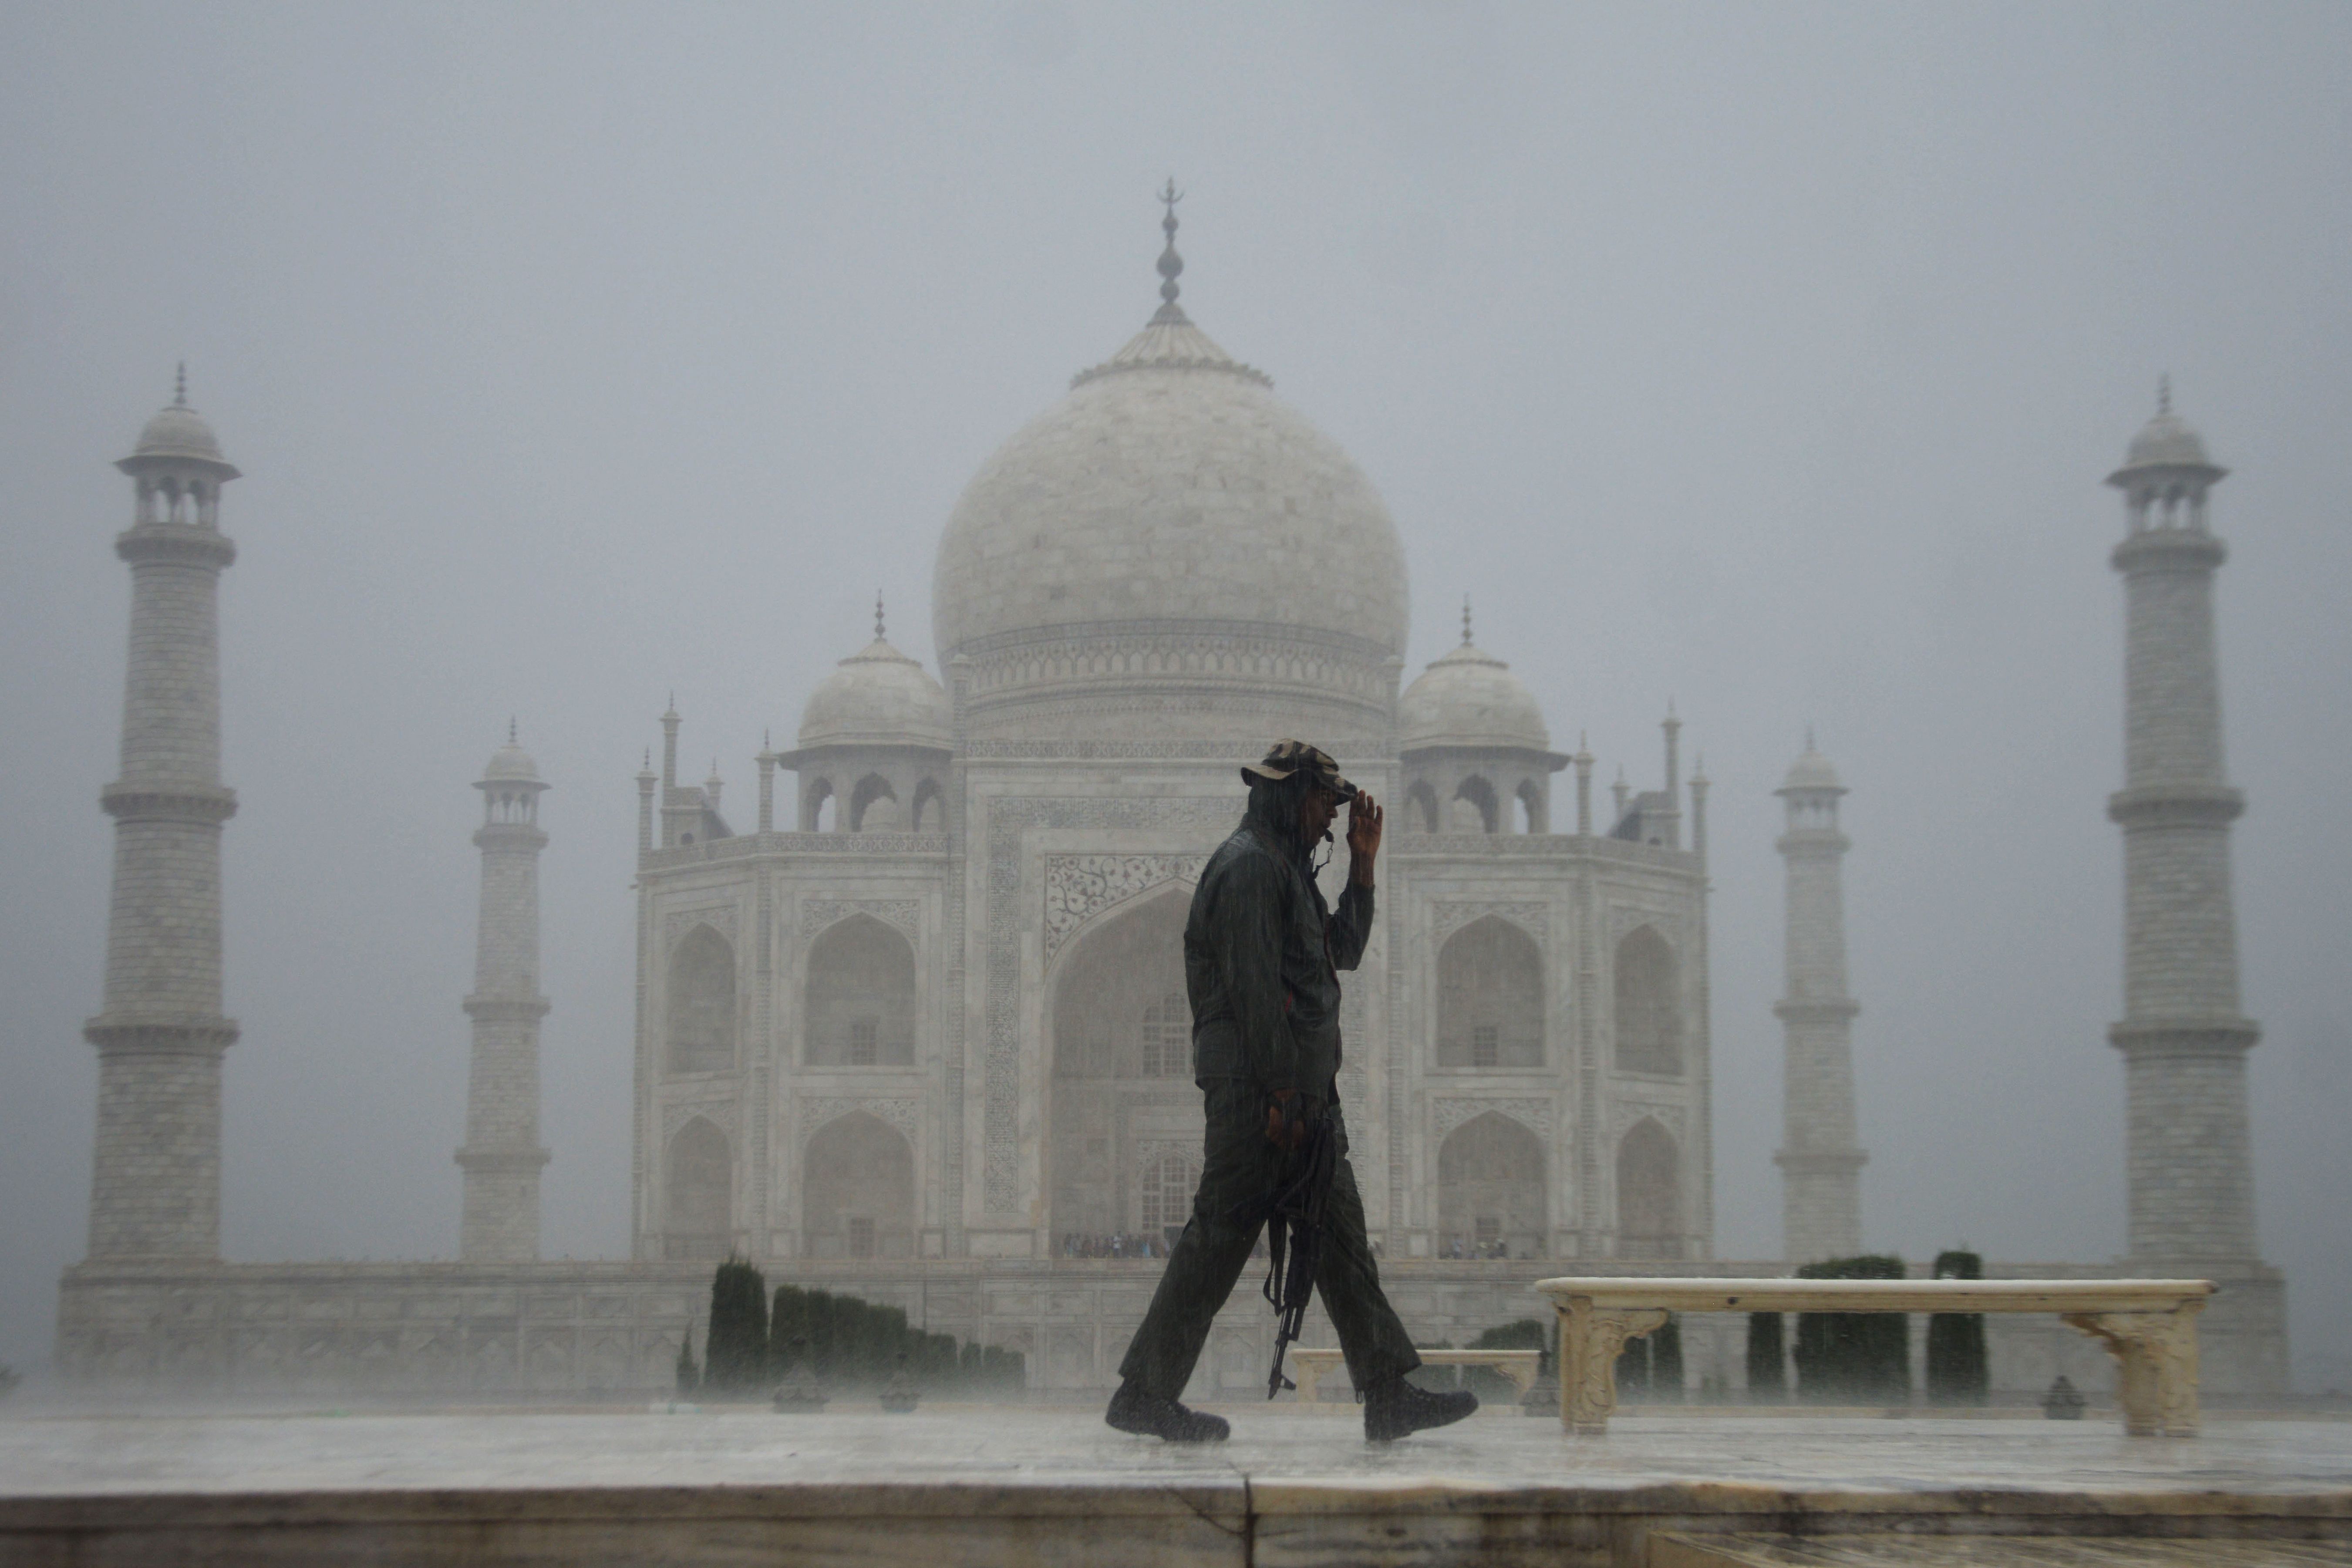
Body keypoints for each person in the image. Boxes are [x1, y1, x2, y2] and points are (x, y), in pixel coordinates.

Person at [1105, 740, 1479, 1444]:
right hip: (1261, 1093)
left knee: (1339, 1240)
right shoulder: (1248, 866)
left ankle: (1387, 1390)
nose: (1329, 820)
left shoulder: (1283, 868)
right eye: (1321, 803)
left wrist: (1362, 871)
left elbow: (1341, 951)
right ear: (1288, 794)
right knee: (1219, 1238)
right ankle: (1144, 1392)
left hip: (1300, 1092)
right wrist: (1279, 1090)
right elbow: (1252, 987)